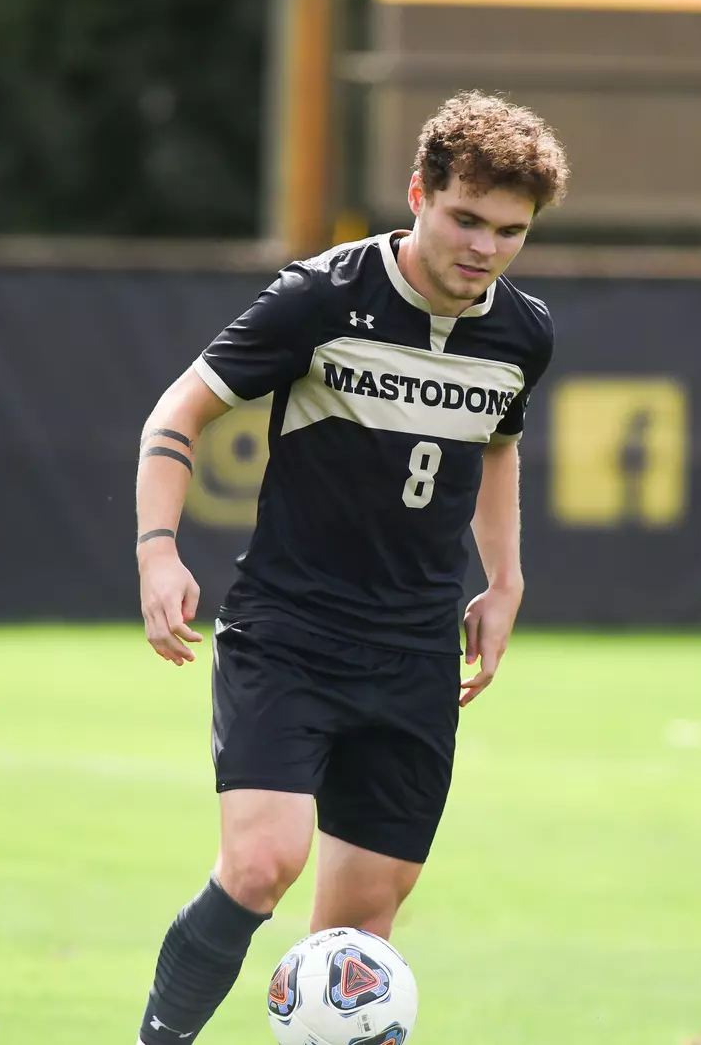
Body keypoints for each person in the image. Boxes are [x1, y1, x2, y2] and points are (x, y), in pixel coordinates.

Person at [130, 90, 569, 1045]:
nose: (483, 247)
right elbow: (179, 412)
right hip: (292, 635)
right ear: (419, 194)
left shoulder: (521, 334)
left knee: (359, 941)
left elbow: (497, 443)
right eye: (465, 218)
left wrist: (505, 580)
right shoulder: (323, 298)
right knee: (260, 865)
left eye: (509, 231)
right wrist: (156, 552)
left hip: (414, 659)